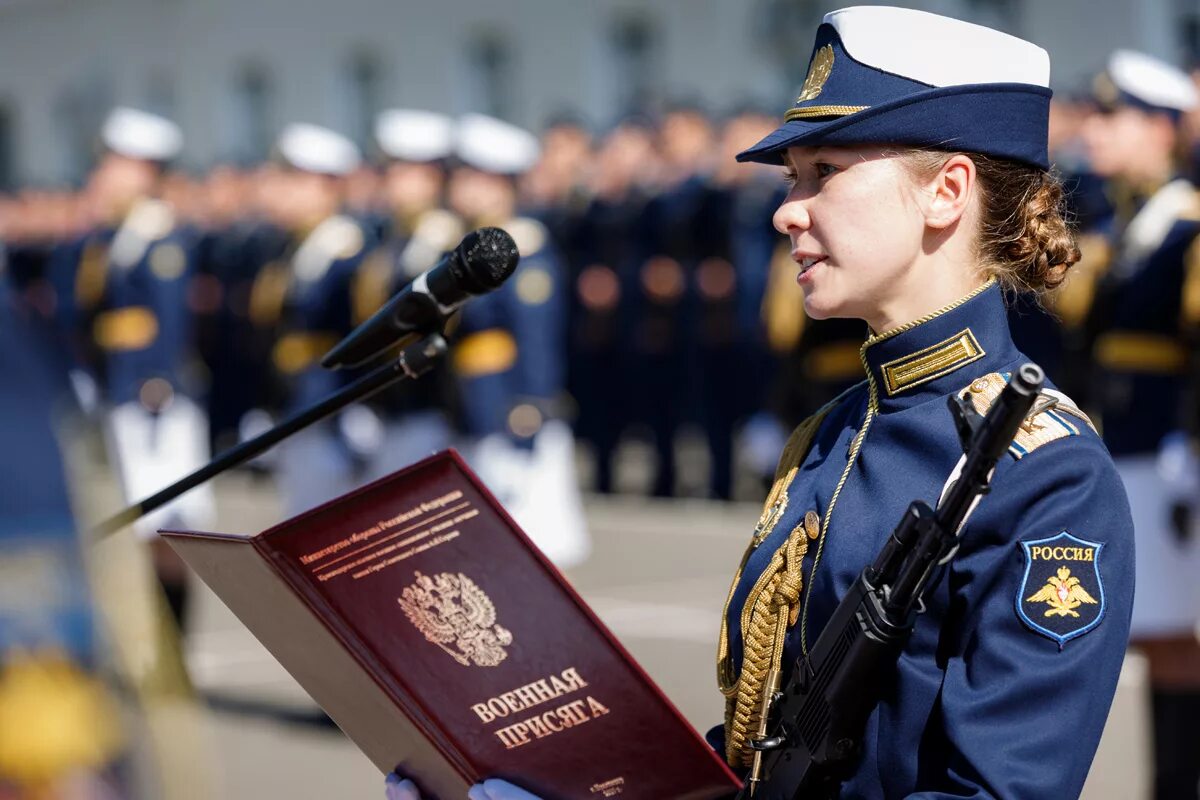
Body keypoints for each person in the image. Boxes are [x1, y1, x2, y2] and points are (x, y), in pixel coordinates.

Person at [386, 6, 1133, 798]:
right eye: (791, 180)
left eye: (825, 173)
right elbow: (759, 751)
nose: (787, 210)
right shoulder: (833, 432)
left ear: (946, 191)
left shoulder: (1046, 478)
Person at [1081, 49, 1200, 800]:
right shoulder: (1131, 221)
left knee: (1177, 640)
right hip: (1132, 448)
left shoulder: (1186, 220)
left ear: (1160, 129)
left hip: (1167, 452)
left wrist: (1189, 443)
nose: (1095, 131)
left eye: (1111, 116)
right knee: (1161, 637)